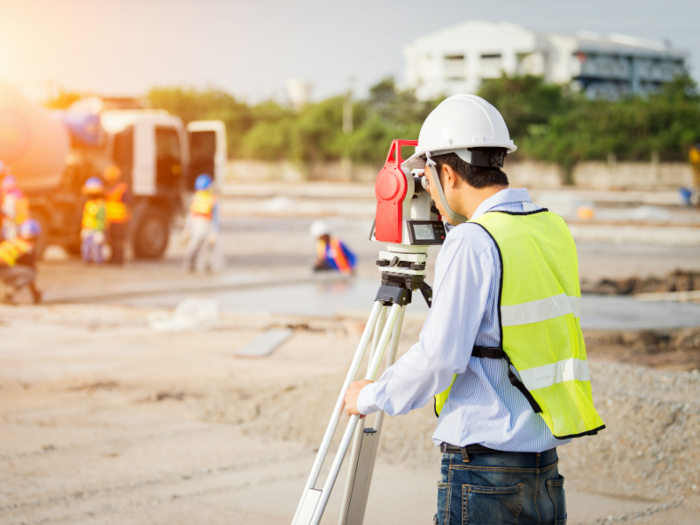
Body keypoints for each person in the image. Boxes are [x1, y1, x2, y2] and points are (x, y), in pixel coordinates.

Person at [343, 95, 604, 525]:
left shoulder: (474, 242)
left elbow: (439, 358)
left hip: (485, 473)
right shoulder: (551, 226)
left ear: (446, 172)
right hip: (543, 468)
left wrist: (369, 396)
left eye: (428, 178)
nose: (428, 190)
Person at [182, 174, 220, 273]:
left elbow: (215, 218)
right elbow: (191, 215)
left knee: (209, 249)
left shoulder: (213, 199)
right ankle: (190, 265)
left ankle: (209, 267)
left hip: (208, 227)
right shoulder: (195, 198)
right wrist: (187, 229)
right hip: (197, 227)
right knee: (193, 247)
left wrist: (214, 232)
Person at [0, 218, 42, 303]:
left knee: (19, 272)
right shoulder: (28, 248)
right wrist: (36, 294)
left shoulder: (13, 241)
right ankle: (9, 294)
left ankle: (8, 291)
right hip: (3, 268)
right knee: (30, 273)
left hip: (4, 268)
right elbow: (30, 273)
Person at [103, 165, 132, 265]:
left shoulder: (122, 188)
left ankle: (119, 259)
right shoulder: (110, 189)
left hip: (120, 220)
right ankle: (113, 257)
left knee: (119, 241)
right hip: (111, 219)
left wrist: (126, 218)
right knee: (112, 240)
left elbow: (127, 205)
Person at [81, 177, 107, 264]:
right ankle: (87, 260)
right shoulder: (89, 203)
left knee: (96, 247)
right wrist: (83, 229)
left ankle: (98, 261)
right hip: (87, 229)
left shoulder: (100, 205)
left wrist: (99, 231)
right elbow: (85, 217)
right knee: (86, 247)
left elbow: (101, 219)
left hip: (95, 230)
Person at [1, 168, 31, 241]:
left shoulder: (10, 196)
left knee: (12, 233)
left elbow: (20, 211)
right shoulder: (14, 194)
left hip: (14, 219)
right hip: (13, 220)